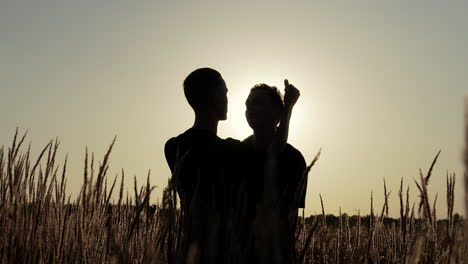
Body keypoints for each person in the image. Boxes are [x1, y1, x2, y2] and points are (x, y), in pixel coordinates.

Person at [243, 82, 307, 264]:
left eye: (258, 103)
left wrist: (288, 108)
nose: (250, 109)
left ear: (276, 113)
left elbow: (289, 218)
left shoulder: (294, 159)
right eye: (247, 105)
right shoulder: (240, 150)